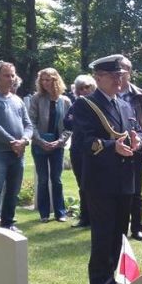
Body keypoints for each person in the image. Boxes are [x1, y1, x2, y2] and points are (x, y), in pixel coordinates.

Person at [72, 54, 142, 284]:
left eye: (121, 75)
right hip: (100, 181)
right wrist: (112, 146)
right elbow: (85, 141)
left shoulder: (124, 104)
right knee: (103, 235)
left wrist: (136, 141)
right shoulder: (85, 105)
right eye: (113, 76)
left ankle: (110, 278)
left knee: (118, 234)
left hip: (124, 178)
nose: (118, 80)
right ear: (98, 77)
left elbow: (135, 131)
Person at [0, 61, 33, 231]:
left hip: (18, 153)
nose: (11, 79)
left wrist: (24, 140)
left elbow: (28, 125)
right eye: (6, 75)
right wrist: (12, 142)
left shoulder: (17, 100)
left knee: (13, 190)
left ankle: (8, 223)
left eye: (12, 75)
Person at [28, 68, 72, 223]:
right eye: (42, 80)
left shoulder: (65, 101)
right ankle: (44, 213)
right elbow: (31, 122)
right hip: (39, 144)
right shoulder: (36, 99)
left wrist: (60, 141)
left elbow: (69, 126)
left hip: (57, 146)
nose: (45, 83)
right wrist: (40, 141)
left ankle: (60, 212)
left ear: (55, 80)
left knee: (57, 179)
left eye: (48, 79)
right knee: (43, 179)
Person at [120, 57, 142, 241]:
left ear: (130, 72)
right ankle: (120, 228)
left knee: (136, 190)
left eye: (124, 69)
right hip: (115, 149)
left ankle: (136, 228)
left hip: (136, 148)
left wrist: (139, 140)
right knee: (119, 191)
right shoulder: (109, 94)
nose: (120, 73)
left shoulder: (140, 95)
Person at [63, 75, 96, 227]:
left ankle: (95, 217)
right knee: (81, 184)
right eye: (80, 88)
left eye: (87, 87)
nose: (84, 90)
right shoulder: (75, 104)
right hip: (77, 148)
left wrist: (77, 120)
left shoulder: (97, 105)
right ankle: (85, 217)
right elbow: (67, 122)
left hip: (93, 149)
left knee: (93, 184)